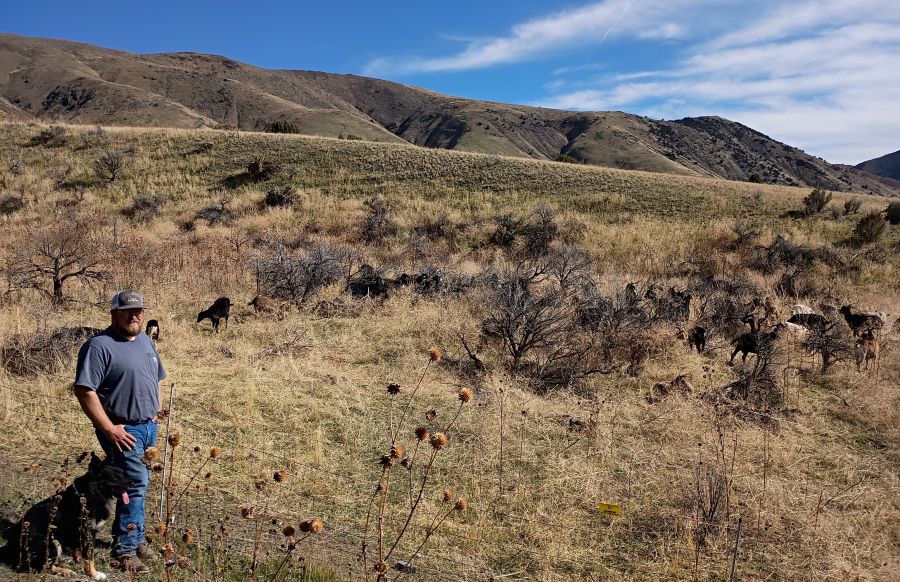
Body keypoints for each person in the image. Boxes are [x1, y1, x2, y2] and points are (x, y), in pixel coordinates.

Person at [74, 290, 166, 573]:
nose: (135, 315)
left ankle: (136, 537)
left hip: (148, 428)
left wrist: (156, 409)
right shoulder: (99, 346)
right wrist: (109, 428)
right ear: (114, 313)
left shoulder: (146, 342)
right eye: (127, 311)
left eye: (138, 310)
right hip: (122, 429)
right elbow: (84, 390)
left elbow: (158, 377)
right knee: (135, 483)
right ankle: (124, 551)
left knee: (142, 483)